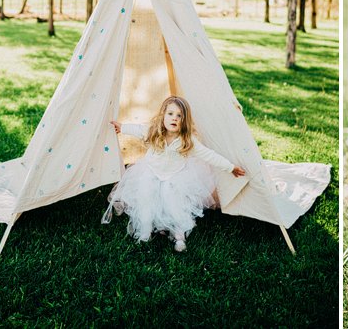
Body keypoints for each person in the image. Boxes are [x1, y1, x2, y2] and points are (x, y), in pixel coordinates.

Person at [102, 95, 246, 252]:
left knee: (176, 206)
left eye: (179, 116)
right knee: (147, 201)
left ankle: (179, 236)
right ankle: (145, 231)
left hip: (175, 177)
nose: (174, 119)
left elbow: (208, 154)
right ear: (163, 115)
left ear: (184, 121)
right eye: (170, 114)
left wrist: (230, 167)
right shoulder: (154, 131)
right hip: (150, 172)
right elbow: (138, 129)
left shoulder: (187, 140)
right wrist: (122, 127)